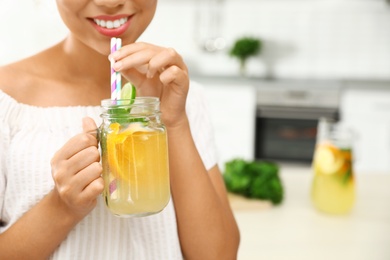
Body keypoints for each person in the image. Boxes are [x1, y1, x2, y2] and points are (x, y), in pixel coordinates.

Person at [0, 0, 240, 259]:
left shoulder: (180, 95)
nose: (110, 1)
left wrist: (174, 122)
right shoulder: (7, 101)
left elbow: (219, 255)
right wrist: (62, 208)